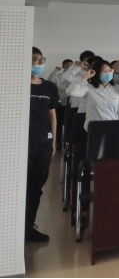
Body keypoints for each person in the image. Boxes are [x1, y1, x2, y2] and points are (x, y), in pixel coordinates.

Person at [26, 47, 59, 243]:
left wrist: (53, 141)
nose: (38, 63)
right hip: (22, 145)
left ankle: (28, 227)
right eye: (33, 60)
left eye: (40, 59)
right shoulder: (15, 84)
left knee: (35, 188)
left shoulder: (49, 87)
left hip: (42, 144)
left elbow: (52, 114)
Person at [66, 60, 119, 131]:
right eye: (104, 71)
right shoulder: (88, 88)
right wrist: (85, 78)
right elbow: (70, 92)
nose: (108, 73)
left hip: (113, 127)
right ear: (96, 73)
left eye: (109, 70)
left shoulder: (118, 88)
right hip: (94, 127)